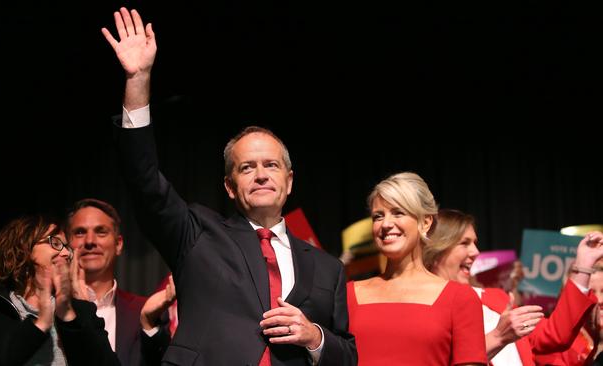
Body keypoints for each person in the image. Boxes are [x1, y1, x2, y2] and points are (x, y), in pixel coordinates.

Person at [102, 7, 357, 365]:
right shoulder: (195, 234)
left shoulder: (328, 268)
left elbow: (347, 355)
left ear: (289, 180)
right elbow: (143, 179)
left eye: (271, 165)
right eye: (247, 168)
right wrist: (138, 80)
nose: (261, 174)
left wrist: (315, 337)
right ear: (230, 186)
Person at [425, 208, 602, 365]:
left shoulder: (495, 298)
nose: (476, 252)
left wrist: (583, 264)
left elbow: (554, 334)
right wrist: (498, 337)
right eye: (464, 243)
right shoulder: (422, 309)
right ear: (437, 250)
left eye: (474, 243)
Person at [346, 172, 487, 365]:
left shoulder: (460, 298)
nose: (386, 224)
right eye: (378, 216)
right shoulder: (347, 294)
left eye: (398, 212)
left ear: (426, 222)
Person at [0, 215, 120, 365]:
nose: (65, 253)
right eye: (55, 243)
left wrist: (68, 316)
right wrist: (39, 325)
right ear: (24, 248)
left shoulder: (81, 312)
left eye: (66, 247)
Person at [66, 198, 171, 365]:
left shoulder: (145, 311)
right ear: (67, 244)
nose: (90, 241)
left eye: (101, 231)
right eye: (80, 232)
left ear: (118, 244)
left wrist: (148, 325)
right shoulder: (54, 309)